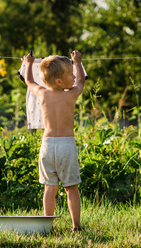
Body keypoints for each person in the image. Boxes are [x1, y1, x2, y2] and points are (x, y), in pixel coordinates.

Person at [22, 50, 85, 232]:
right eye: (70, 74)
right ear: (59, 81)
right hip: (66, 145)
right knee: (71, 188)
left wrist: (28, 64)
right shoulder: (71, 94)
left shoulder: (42, 94)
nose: (73, 77)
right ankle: (76, 226)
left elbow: (29, 81)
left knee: (50, 187)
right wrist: (78, 62)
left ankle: (46, 225)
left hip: (47, 146)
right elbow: (81, 81)